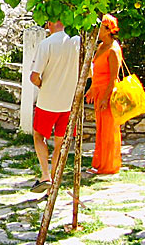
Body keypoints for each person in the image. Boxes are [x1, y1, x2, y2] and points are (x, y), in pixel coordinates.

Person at [28, 20, 81, 193]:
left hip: (48, 101)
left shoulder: (47, 44)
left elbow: (34, 76)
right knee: (60, 145)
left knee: (38, 136)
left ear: (49, 23)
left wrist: (43, 85)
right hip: (67, 103)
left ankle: (45, 175)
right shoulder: (76, 43)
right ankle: (54, 185)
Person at [85, 14, 123, 175]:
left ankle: (108, 166)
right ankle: (99, 163)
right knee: (101, 129)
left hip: (109, 93)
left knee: (108, 129)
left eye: (100, 27)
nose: (97, 30)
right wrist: (92, 88)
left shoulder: (113, 50)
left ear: (107, 30)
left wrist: (106, 98)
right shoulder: (101, 46)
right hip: (100, 91)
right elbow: (97, 72)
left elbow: (114, 77)